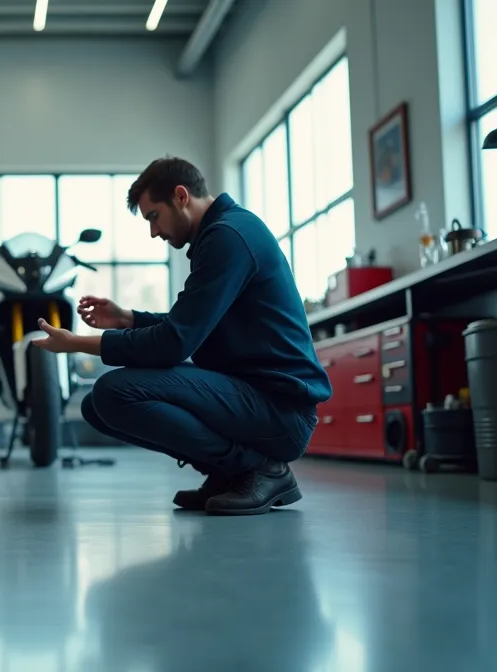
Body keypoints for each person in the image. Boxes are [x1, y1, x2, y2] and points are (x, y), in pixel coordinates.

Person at [32, 156, 330, 515]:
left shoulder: (228, 237)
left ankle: (259, 469)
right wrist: (128, 318)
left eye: (153, 216)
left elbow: (175, 343)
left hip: (281, 411)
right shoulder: (223, 233)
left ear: (180, 196)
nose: (154, 232)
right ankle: (228, 472)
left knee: (114, 392)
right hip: (254, 397)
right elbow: (194, 323)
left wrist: (74, 344)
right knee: (96, 406)